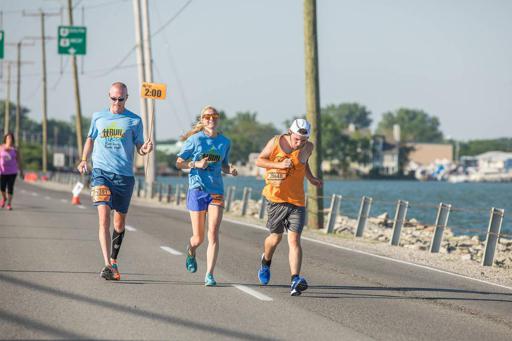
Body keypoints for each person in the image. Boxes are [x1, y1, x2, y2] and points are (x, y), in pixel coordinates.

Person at [77, 82, 153, 281]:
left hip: (124, 177)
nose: (117, 102)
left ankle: (114, 259)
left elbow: (139, 148)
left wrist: (145, 149)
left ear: (126, 98)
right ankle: (107, 265)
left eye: (121, 99)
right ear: (108, 96)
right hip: (101, 173)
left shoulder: (134, 120)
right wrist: (84, 159)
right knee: (104, 219)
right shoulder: (98, 117)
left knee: (119, 224)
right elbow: (90, 139)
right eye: (114, 98)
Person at [255, 118, 322, 296]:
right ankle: (265, 261)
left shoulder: (308, 148)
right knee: (275, 239)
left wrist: (311, 178)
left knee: (294, 240)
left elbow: (304, 163)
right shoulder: (276, 142)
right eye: (296, 139)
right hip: (276, 198)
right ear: (290, 132)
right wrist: (278, 164)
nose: (299, 143)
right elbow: (260, 161)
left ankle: (294, 280)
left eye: (303, 140)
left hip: (297, 200)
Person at [176, 105, 238, 286]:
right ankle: (191, 251)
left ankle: (209, 275)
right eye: (207, 117)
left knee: (213, 235)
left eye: (214, 116)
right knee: (199, 238)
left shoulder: (224, 142)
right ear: (202, 120)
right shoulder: (195, 140)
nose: (211, 119)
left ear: (218, 119)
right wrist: (195, 164)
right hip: (197, 189)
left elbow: (224, 165)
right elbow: (179, 163)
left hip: (216, 190)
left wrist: (230, 169)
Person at [0, 132, 24, 210]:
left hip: (12, 171)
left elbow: (19, 161)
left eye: (10, 138)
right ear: (5, 139)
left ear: (13, 140)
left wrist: (21, 172)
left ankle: (9, 204)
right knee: (2, 187)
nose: (9, 140)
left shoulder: (15, 149)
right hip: (2, 171)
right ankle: (4, 198)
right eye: (8, 138)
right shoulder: (1, 147)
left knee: (10, 187)